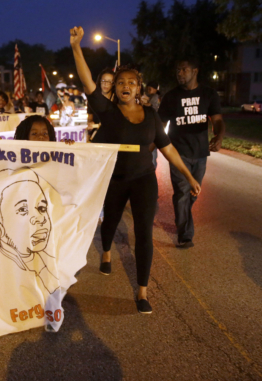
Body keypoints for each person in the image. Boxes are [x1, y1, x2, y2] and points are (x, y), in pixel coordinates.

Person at [71, 26, 201, 314]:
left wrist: (189, 175)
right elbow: (87, 82)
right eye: (120, 83)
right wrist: (77, 48)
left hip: (144, 180)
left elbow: (168, 149)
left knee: (143, 233)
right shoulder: (108, 112)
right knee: (110, 222)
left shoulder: (152, 116)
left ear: (139, 87)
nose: (126, 85)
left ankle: (142, 290)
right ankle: (105, 253)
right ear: (115, 89)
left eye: (131, 82)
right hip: (115, 179)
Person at [158, 58, 225, 248]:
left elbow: (217, 120)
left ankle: (184, 220)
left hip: (201, 153)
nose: (179, 73)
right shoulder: (171, 97)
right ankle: (185, 235)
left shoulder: (209, 94)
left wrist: (219, 136)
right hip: (178, 153)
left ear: (195, 71)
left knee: (193, 193)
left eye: (184, 70)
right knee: (181, 192)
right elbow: (161, 124)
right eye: (178, 70)